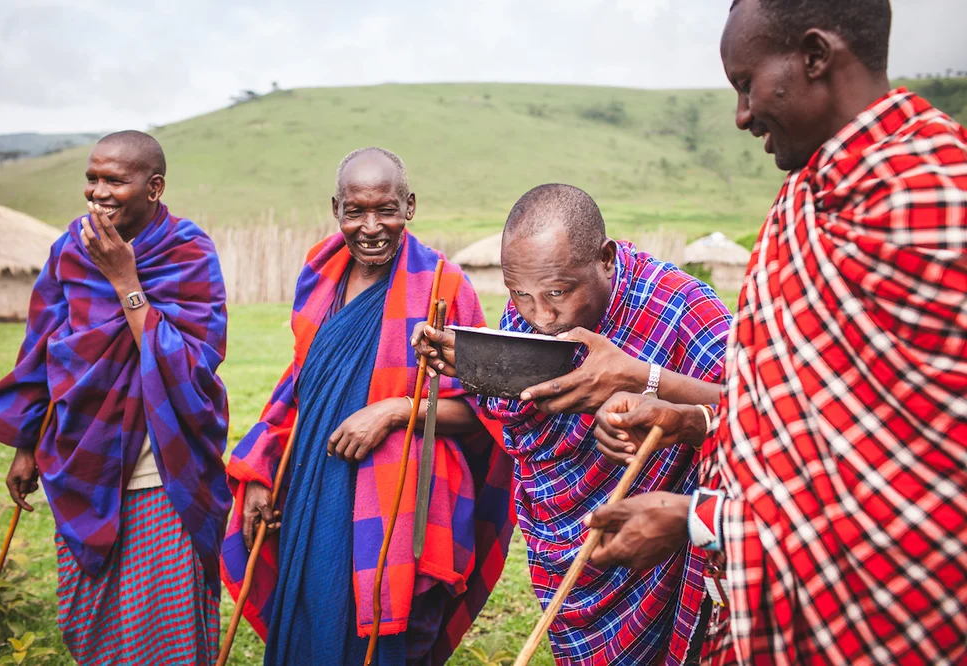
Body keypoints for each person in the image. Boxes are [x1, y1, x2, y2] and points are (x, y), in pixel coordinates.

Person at [587, 1, 967, 664]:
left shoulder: (933, 202)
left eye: (747, 84)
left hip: (889, 627)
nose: (741, 116)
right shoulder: (804, 199)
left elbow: (927, 489)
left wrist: (698, 521)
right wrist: (695, 422)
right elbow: (803, 410)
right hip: (769, 615)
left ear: (816, 57)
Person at [413, 183, 732, 664]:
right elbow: (528, 404)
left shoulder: (680, 306)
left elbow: (760, 412)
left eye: (558, 292)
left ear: (604, 258)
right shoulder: (531, 314)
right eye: (520, 294)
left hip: (657, 549)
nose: (540, 316)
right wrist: (476, 362)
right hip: (564, 542)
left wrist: (646, 380)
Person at [219, 147, 514, 666]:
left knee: (383, 641)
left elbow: (482, 413)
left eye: (387, 210)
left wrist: (395, 411)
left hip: (399, 505)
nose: (371, 226)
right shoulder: (320, 277)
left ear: (411, 206)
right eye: (356, 211)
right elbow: (301, 386)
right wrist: (263, 469)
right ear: (337, 209)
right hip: (315, 487)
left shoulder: (443, 287)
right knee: (312, 619)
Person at [0, 130, 231, 664]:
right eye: (92, 178)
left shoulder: (187, 251)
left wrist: (124, 279)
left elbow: (193, 366)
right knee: (95, 630)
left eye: (115, 179)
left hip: (159, 468)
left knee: (165, 630)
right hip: (81, 459)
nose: (98, 192)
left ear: (153, 186)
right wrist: (26, 445)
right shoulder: (70, 248)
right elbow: (40, 351)